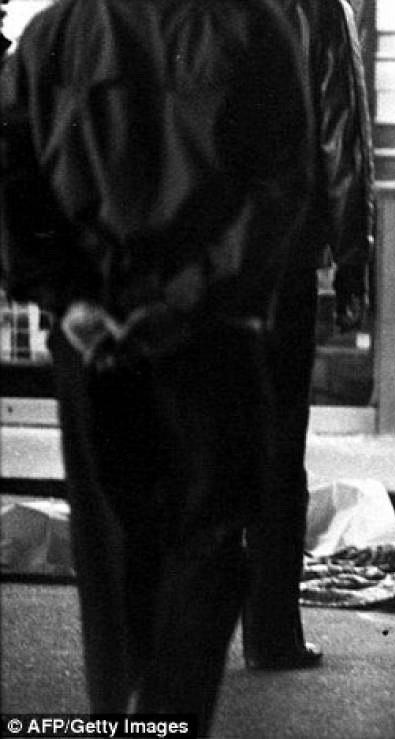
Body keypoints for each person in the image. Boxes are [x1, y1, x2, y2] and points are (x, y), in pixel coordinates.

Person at [0, 0, 312, 731]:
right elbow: (280, 188)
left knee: (110, 552)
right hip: (212, 338)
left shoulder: (54, 36)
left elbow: (10, 180)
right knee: (206, 546)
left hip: (92, 342)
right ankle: (168, 716)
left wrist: (70, 299)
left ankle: (123, 712)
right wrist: (186, 299)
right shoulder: (253, 27)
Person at [241, 0, 375, 672]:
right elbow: (340, 133)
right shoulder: (318, 7)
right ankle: (270, 633)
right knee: (273, 449)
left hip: (181, 250)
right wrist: (353, 255)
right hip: (277, 254)